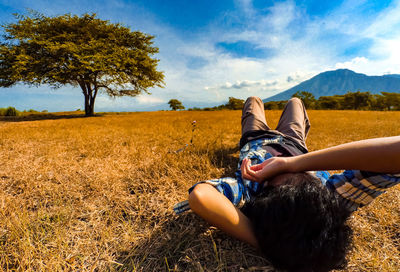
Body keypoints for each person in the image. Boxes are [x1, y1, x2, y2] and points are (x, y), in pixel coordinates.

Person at [173, 96, 400, 272]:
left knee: (253, 101)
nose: (300, 175)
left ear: (268, 195)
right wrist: (293, 162)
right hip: (294, 142)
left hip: (256, 138)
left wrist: (269, 244)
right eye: (303, 178)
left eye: (281, 182)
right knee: (295, 101)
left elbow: (201, 196)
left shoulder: (253, 193)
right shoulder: (329, 203)